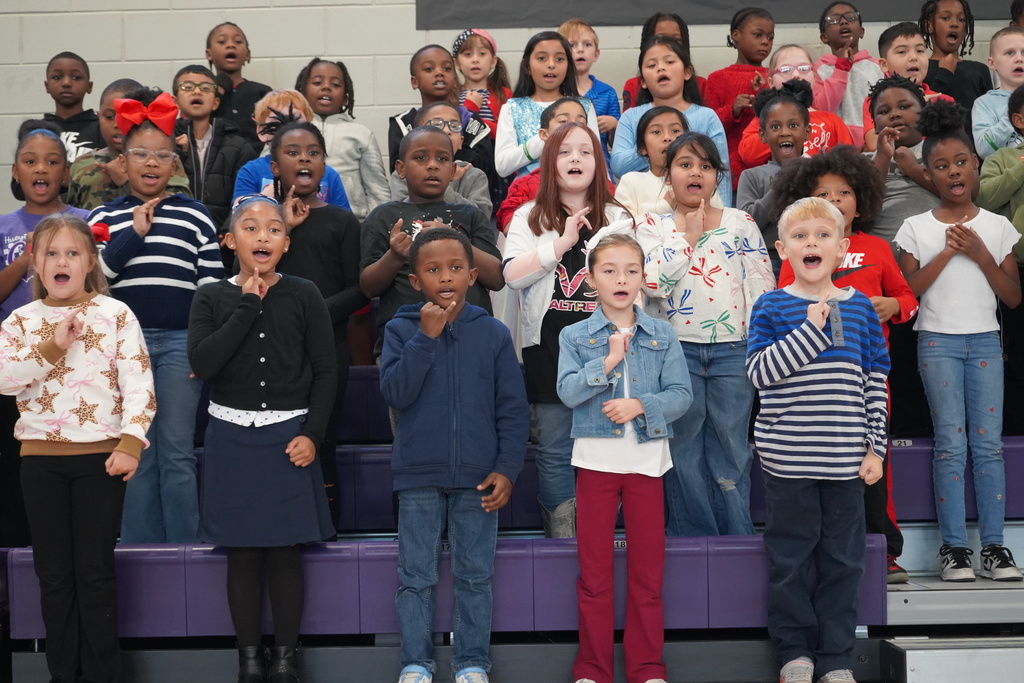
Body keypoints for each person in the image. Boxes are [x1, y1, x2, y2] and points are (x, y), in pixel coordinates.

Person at [0, 214, 155, 683]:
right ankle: (63, 675)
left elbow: (139, 385)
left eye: (72, 252)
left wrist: (130, 443)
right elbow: (5, 381)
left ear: (90, 261)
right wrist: (51, 346)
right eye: (51, 253)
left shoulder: (115, 315)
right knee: (54, 577)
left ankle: (104, 675)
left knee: (94, 574)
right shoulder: (22, 321)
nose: (61, 261)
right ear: (35, 263)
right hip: (40, 464)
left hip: (100, 462)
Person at [188, 196, 337, 683]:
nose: (263, 236)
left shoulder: (304, 293)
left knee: (284, 551)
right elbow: (205, 365)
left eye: (274, 229)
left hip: (288, 439)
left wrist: (312, 434)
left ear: (286, 243)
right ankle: (249, 660)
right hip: (230, 438)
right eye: (250, 228)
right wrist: (248, 305)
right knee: (244, 553)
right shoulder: (210, 296)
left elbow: (325, 370)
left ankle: (286, 660)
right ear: (231, 241)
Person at [747, 196, 889, 683]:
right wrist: (810, 332)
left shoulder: (863, 311)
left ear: (842, 248)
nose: (812, 243)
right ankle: (794, 653)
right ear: (782, 248)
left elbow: (875, 382)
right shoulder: (770, 305)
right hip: (788, 464)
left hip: (847, 464)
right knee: (789, 561)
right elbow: (761, 374)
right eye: (801, 236)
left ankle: (835, 659)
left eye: (823, 235)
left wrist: (876, 447)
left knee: (843, 564)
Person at [380, 228, 529, 683]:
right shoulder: (400, 328)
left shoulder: (494, 333)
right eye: (432, 269)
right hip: (418, 477)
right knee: (416, 577)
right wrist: (425, 338)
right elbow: (395, 393)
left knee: (474, 576)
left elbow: (513, 409)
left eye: (455, 268)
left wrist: (506, 468)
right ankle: (415, 662)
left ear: (471, 275)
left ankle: (470, 662)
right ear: (415, 281)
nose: (445, 277)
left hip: (478, 479)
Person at [773, 147, 919, 583]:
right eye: (824, 192)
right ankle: (824, 554)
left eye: (845, 191)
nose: (836, 200)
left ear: (863, 198)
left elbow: (908, 299)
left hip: (867, 379)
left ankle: (885, 552)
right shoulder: (802, 250)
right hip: (808, 382)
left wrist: (892, 303)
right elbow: (784, 300)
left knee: (873, 462)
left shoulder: (877, 247)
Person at [87, 86, 224, 544]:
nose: (150, 163)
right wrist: (134, 235)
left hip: (180, 346)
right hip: (124, 351)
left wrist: (200, 350)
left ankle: (186, 549)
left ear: (174, 164)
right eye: (140, 154)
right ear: (121, 161)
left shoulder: (196, 216)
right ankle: (142, 548)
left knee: (178, 450)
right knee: (136, 451)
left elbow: (210, 291)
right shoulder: (104, 217)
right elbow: (95, 282)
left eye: (161, 155)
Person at [894, 100, 1024, 583]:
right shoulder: (916, 228)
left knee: (987, 447)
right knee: (951, 444)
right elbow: (911, 293)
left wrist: (981, 254)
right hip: (937, 346)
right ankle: (953, 550)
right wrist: (950, 251)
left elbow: (1011, 297)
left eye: (961, 163)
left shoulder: (995, 226)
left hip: (986, 346)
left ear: (976, 166)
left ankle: (995, 547)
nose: (953, 172)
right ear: (928, 171)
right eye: (941, 166)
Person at [557, 234, 692, 683]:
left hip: (647, 463)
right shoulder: (574, 335)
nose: (621, 279)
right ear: (591, 278)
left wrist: (641, 406)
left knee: (647, 577)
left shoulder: (662, 332)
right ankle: (592, 669)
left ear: (642, 277)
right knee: (593, 577)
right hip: (595, 463)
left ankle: (647, 668)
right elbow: (568, 392)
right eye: (609, 270)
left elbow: (682, 395)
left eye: (631, 270)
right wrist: (609, 363)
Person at [637, 132, 774, 537]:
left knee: (732, 446)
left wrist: (758, 344)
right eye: (684, 164)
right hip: (675, 352)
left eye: (705, 165)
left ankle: (736, 538)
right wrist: (687, 238)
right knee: (682, 449)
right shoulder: (651, 224)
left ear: (717, 177)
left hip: (734, 350)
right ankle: (693, 541)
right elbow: (651, 284)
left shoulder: (740, 221)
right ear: (668, 174)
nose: (695, 172)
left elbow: (761, 287)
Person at [504, 122, 632, 537]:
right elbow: (512, 275)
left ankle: (600, 534)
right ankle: (562, 536)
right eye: (564, 152)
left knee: (608, 446)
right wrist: (561, 243)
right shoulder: (529, 217)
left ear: (599, 163)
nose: (575, 159)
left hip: (610, 347)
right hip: (549, 351)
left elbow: (637, 283)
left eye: (585, 152)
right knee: (556, 449)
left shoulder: (617, 217)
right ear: (549, 162)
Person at [267, 120, 367, 530]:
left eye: (313, 151)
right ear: (274, 167)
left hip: (328, 350)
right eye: (292, 152)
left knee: (321, 439)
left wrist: (314, 313)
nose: (304, 158)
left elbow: (359, 289)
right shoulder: (262, 223)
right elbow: (243, 274)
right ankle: (281, 524)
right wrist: (282, 227)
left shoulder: (343, 222)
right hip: (274, 348)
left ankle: (327, 528)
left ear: (324, 164)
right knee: (278, 441)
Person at [0, 125, 90, 548]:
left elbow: (102, 286)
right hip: (18, 362)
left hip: (78, 359)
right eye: (30, 161)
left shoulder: (86, 222)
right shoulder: (5, 226)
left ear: (67, 173)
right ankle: (19, 553)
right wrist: (28, 256)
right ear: (15, 172)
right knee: (16, 463)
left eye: (52, 161)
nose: (41, 168)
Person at [360, 126, 503, 354]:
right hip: (406, 338)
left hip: (470, 337)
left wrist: (455, 240)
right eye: (420, 158)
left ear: (453, 169)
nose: (433, 165)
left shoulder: (470, 214)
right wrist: (395, 256)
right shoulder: (383, 216)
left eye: (442, 158)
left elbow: (497, 278)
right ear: (401, 169)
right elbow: (368, 287)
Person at [610, 38, 732, 205]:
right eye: (651, 65)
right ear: (643, 81)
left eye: (669, 61)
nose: (661, 67)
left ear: (687, 72)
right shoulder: (631, 116)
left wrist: (722, 216)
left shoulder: (706, 116)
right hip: (646, 208)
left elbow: (720, 172)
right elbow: (618, 166)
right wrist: (652, 147)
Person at [68, 78, 192, 211]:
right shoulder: (82, 164)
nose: (116, 124)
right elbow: (73, 214)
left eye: (127, 116)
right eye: (109, 117)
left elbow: (181, 207)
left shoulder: (163, 159)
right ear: (98, 116)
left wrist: (126, 181)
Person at [978, 84, 1024, 434]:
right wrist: (1020, 166)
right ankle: (1014, 429)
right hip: (1015, 270)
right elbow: (986, 198)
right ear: (1018, 120)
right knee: (1016, 352)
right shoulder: (1001, 159)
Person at [494, 31, 599, 179]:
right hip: (528, 194)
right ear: (527, 66)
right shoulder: (512, 108)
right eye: (542, 58)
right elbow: (502, 166)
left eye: (560, 59)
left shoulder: (584, 106)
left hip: (577, 192)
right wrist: (545, 138)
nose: (551, 65)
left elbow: (596, 159)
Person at [296, 58, 390, 221]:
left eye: (336, 85)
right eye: (318, 82)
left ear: (346, 98)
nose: (326, 87)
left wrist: (376, 226)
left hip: (351, 222)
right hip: (298, 219)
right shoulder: (290, 131)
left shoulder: (361, 134)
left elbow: (377, 189)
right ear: (303, 92)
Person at [737, 46, 853, 172]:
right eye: (786, 70)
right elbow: (748, 155)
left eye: (804, 68)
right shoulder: (765, 117)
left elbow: (848, 162)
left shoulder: (832, 120)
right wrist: (777, 127)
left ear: (814, 77)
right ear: (771, 82)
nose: (796, 75)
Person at [736, 83, 813, 274]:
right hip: (766, 261)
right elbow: (745, 224)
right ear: (763, 134)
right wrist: (782, 184)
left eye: (793, 125)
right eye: (776, 126)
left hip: (813, 258)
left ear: (807, 132)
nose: (785, 132)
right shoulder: (751, 176)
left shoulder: (816, 172)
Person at [231, 89, 350, 209]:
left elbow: (344, 218)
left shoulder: (328, 174)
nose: (288, 132)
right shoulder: (251, 172)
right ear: (262, 132)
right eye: (277, 122)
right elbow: (238, 213)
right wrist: (267, 196)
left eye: (297, 123)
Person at [172, 64, 257, 228]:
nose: (197, 92)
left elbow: (247, 196)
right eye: (188, 87)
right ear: (174, 101)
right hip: (177, 232)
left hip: (222, 236)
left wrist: (229, 228)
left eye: (205, 88)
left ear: (216, 102)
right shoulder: (164, 143)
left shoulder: (238, 147)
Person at [704, 7, 774, 192]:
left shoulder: (775, 76)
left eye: (770, 37)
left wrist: (765, 89)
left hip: (771, 170)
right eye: (758, 35)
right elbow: (706, 127)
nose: (765, 42)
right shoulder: (718, 78)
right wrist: (732, 110)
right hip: (731, 173)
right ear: (736, 35)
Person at [495, 97, 590, 233]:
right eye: (563, 121)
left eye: (581, 123)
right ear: (544, 134)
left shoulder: (600, 182)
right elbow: (511, 231)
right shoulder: (524, 186)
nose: (573, 127)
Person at [390, 102, 493, 216]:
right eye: (437, 124)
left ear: (461, 141)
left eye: (454, 126)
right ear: (415, 135)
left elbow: (481, 219)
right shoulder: (406, 172)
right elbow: (400, 213)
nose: (447, 130)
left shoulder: (474, 176)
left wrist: (446, 186)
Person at [813, 3, 885, 148]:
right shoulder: (818, 70)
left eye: (851, 18)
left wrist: (871, 140)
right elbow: (822, 110)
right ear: (824, 37)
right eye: (833, 20)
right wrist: (841, 67)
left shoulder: (878, 67)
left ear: (862, 32)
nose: (843, 21)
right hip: (835, 147)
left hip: (873, 146)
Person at [919, 0, 991, 131]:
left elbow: (989, 116)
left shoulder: (979, 70)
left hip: (972, 149)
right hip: (932, 148)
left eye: (961, 19)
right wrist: (944, 74)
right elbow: (921, 114)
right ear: (929, 25)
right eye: (945, 18)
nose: (954, 24)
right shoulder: (920, 68)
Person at [558, 18, 621, 164]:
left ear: (596, 54)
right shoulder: (556, 91)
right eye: (572, 45)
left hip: (600, 162)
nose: (580, 49)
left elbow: (616, 145)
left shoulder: (607, 92)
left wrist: (614, 124)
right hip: (564, 160)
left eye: (587, 44)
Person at [206, 21, 272, 153]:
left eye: (237, 42)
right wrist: (218, 87)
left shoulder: (263, 93)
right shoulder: (203, 93)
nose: (231, 45)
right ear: (209, 54)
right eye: (222, 42)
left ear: (247, 54)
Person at [620, 13, 708, 111]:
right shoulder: (633, 85)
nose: (668, 45)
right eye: (661, 38)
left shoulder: (701, 84)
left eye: (676, 40)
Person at [614, 106, 689, 217]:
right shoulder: (631, 182)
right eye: (656, 132)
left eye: (675, 131)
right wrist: (664, 207)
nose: (667, 137)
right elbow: (622, 227)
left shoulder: (698, 179)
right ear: (642, 148)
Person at [972, 27, 1024, 158]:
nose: (1019, 58)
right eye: (1010, 53)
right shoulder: (984, 104)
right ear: (992, 63)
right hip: (1006, 176)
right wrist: (1012, 115)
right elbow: (984, 150)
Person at [42, 51, 102, 163]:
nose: (66, 83)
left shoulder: (101, 128)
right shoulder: (37, 130)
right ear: (47, 86)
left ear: (89, 86)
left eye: (76, 77)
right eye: (57, 77)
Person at [452, 28, 512, 138]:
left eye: (482, 53)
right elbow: (455, 130)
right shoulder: (452, 94)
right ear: (457, 63)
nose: (475, 59)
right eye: (468, 54)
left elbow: (507, 133)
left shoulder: (504, 94)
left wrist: (471, 116)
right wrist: (471, 108)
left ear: (493, 62)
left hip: (493, 154)